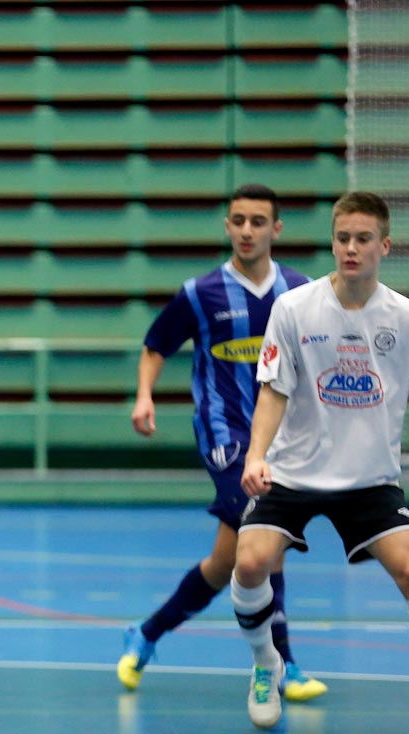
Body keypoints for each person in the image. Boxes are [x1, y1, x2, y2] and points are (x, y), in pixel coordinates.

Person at [232, 191, 409, 734]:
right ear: (333, 241)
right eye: (342, 238)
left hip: (370, 478)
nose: (351, 249)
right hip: (293, 472)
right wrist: (256, 456)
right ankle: (266, 665)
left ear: (385, 246)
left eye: (363, 239)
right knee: (250, 562)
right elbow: (272, 392)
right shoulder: (295, 309)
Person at [119, 184, 327, 701]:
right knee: (266, 530)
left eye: (258, 221)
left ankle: (146, 634)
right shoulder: (200, 293)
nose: (247, 230)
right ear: (227, 226)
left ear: (276, 230)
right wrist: (145, 395)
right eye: (238, 220)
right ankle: (282, 667)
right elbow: (155, 344)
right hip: (223, 434)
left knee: (226, 561)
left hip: (283, 439)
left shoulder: (300, 293)